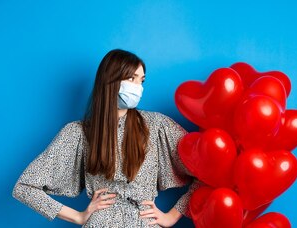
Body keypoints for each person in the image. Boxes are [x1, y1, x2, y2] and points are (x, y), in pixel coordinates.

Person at [12, 49, 200, 227]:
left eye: (141, 81)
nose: (138, 87)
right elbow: (24, 188)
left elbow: (206, 171)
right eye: (131, 79)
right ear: (110, 81)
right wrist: (78, 216)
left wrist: (172, 216)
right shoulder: (79, 133)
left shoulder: (157, 126)